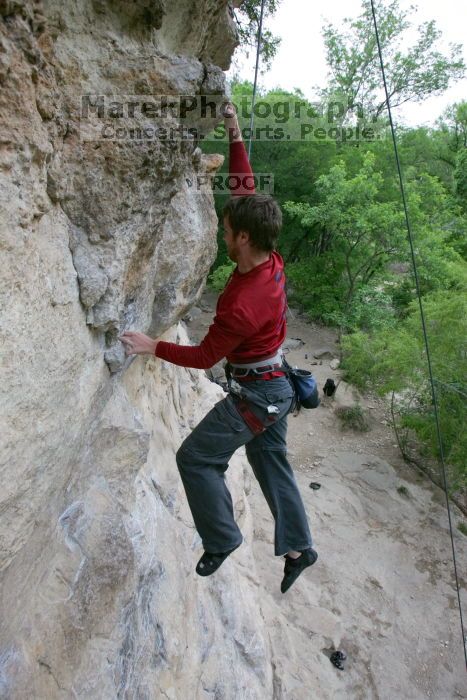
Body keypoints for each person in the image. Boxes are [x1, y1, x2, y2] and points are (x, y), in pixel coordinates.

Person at [119, 104, 317, 593]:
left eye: (226, 230)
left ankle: (221, 537)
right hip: (276, 386)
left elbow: (204, 357)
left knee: (196, 459)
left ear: (244, 237)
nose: (220, 232)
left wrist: (152, 346)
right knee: (270, 461)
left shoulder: (245, 304)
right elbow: (243, 185)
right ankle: (299, 549)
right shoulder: (269, 256)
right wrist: (233, 132)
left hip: (258, 396)